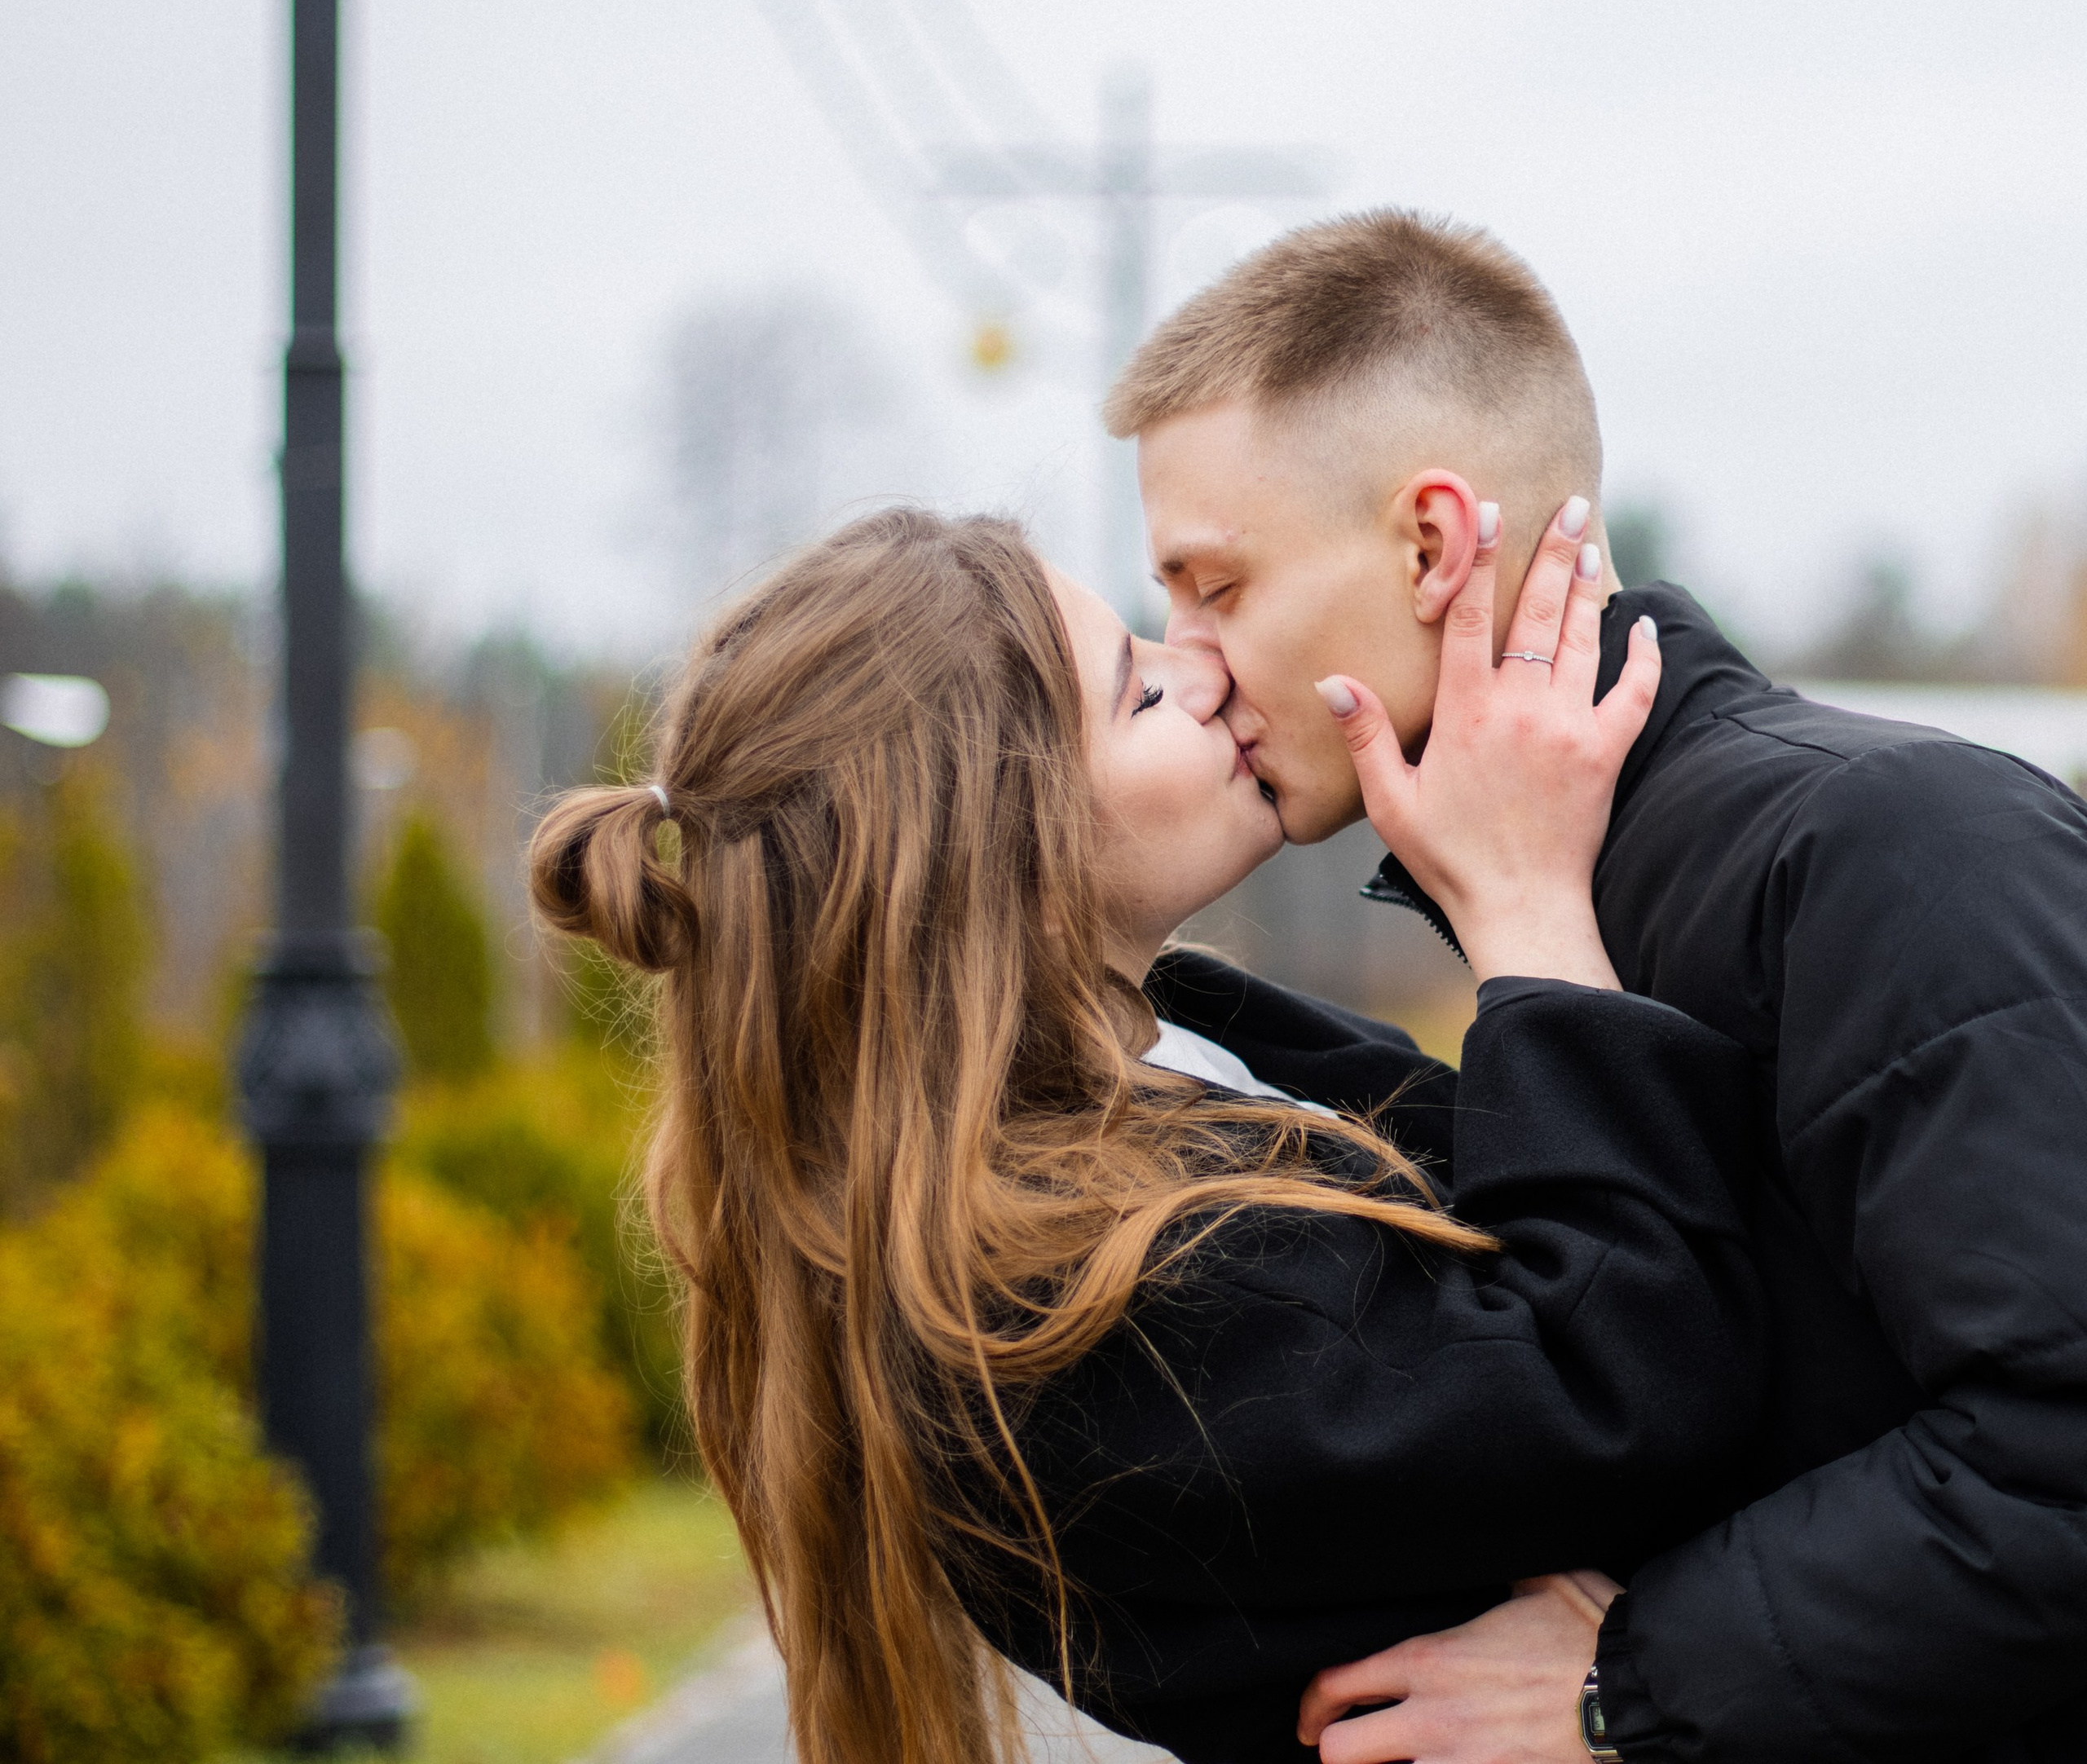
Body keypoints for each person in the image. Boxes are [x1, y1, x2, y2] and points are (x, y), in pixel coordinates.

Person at [529, 501, 1763, 1764]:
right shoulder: (1059, 1313)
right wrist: (1524, 905)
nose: (1205, 668)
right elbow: (1638, 1386)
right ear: (1002, 854)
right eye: (1137, 693)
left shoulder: (1181, 1046)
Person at [1110, 207, 2087, 1764]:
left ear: (1431, 546)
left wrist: (1628, 1677)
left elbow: (2064, 1451)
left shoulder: (1896, 851)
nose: (1194, 661)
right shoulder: (1557, 914)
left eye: (1213, 585)